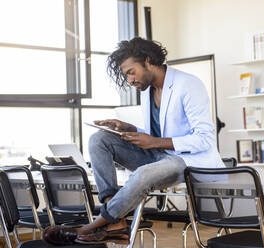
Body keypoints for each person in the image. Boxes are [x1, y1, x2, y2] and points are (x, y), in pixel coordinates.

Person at [43, 37, 224, 245]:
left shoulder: (188, 84)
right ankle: (117, 223)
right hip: (159, 155)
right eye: (126, 75)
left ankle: (93, 225)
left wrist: (154, 142)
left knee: (143, 174)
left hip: (188, 161)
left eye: (131, 72)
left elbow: (204, 139)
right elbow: (160, 130)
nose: (129, 80)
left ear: (148, 61)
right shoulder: (147, 91)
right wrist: (131, 129)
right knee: (99, 139)